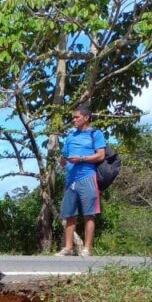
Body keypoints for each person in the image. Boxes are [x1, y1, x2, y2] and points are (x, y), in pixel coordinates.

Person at [56, 104, 106, 257]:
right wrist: (63, 161)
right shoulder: (70, 136)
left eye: (77, 117)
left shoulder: (95, 134)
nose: (74, 120)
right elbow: (64, 157)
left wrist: (82, 159)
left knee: (89, 214)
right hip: (71, 179)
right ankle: (68, 248)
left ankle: (87, 249)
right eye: (73, 117)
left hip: (88, 177)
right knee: (69, 214)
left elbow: (101, 155)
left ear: (86, 117)